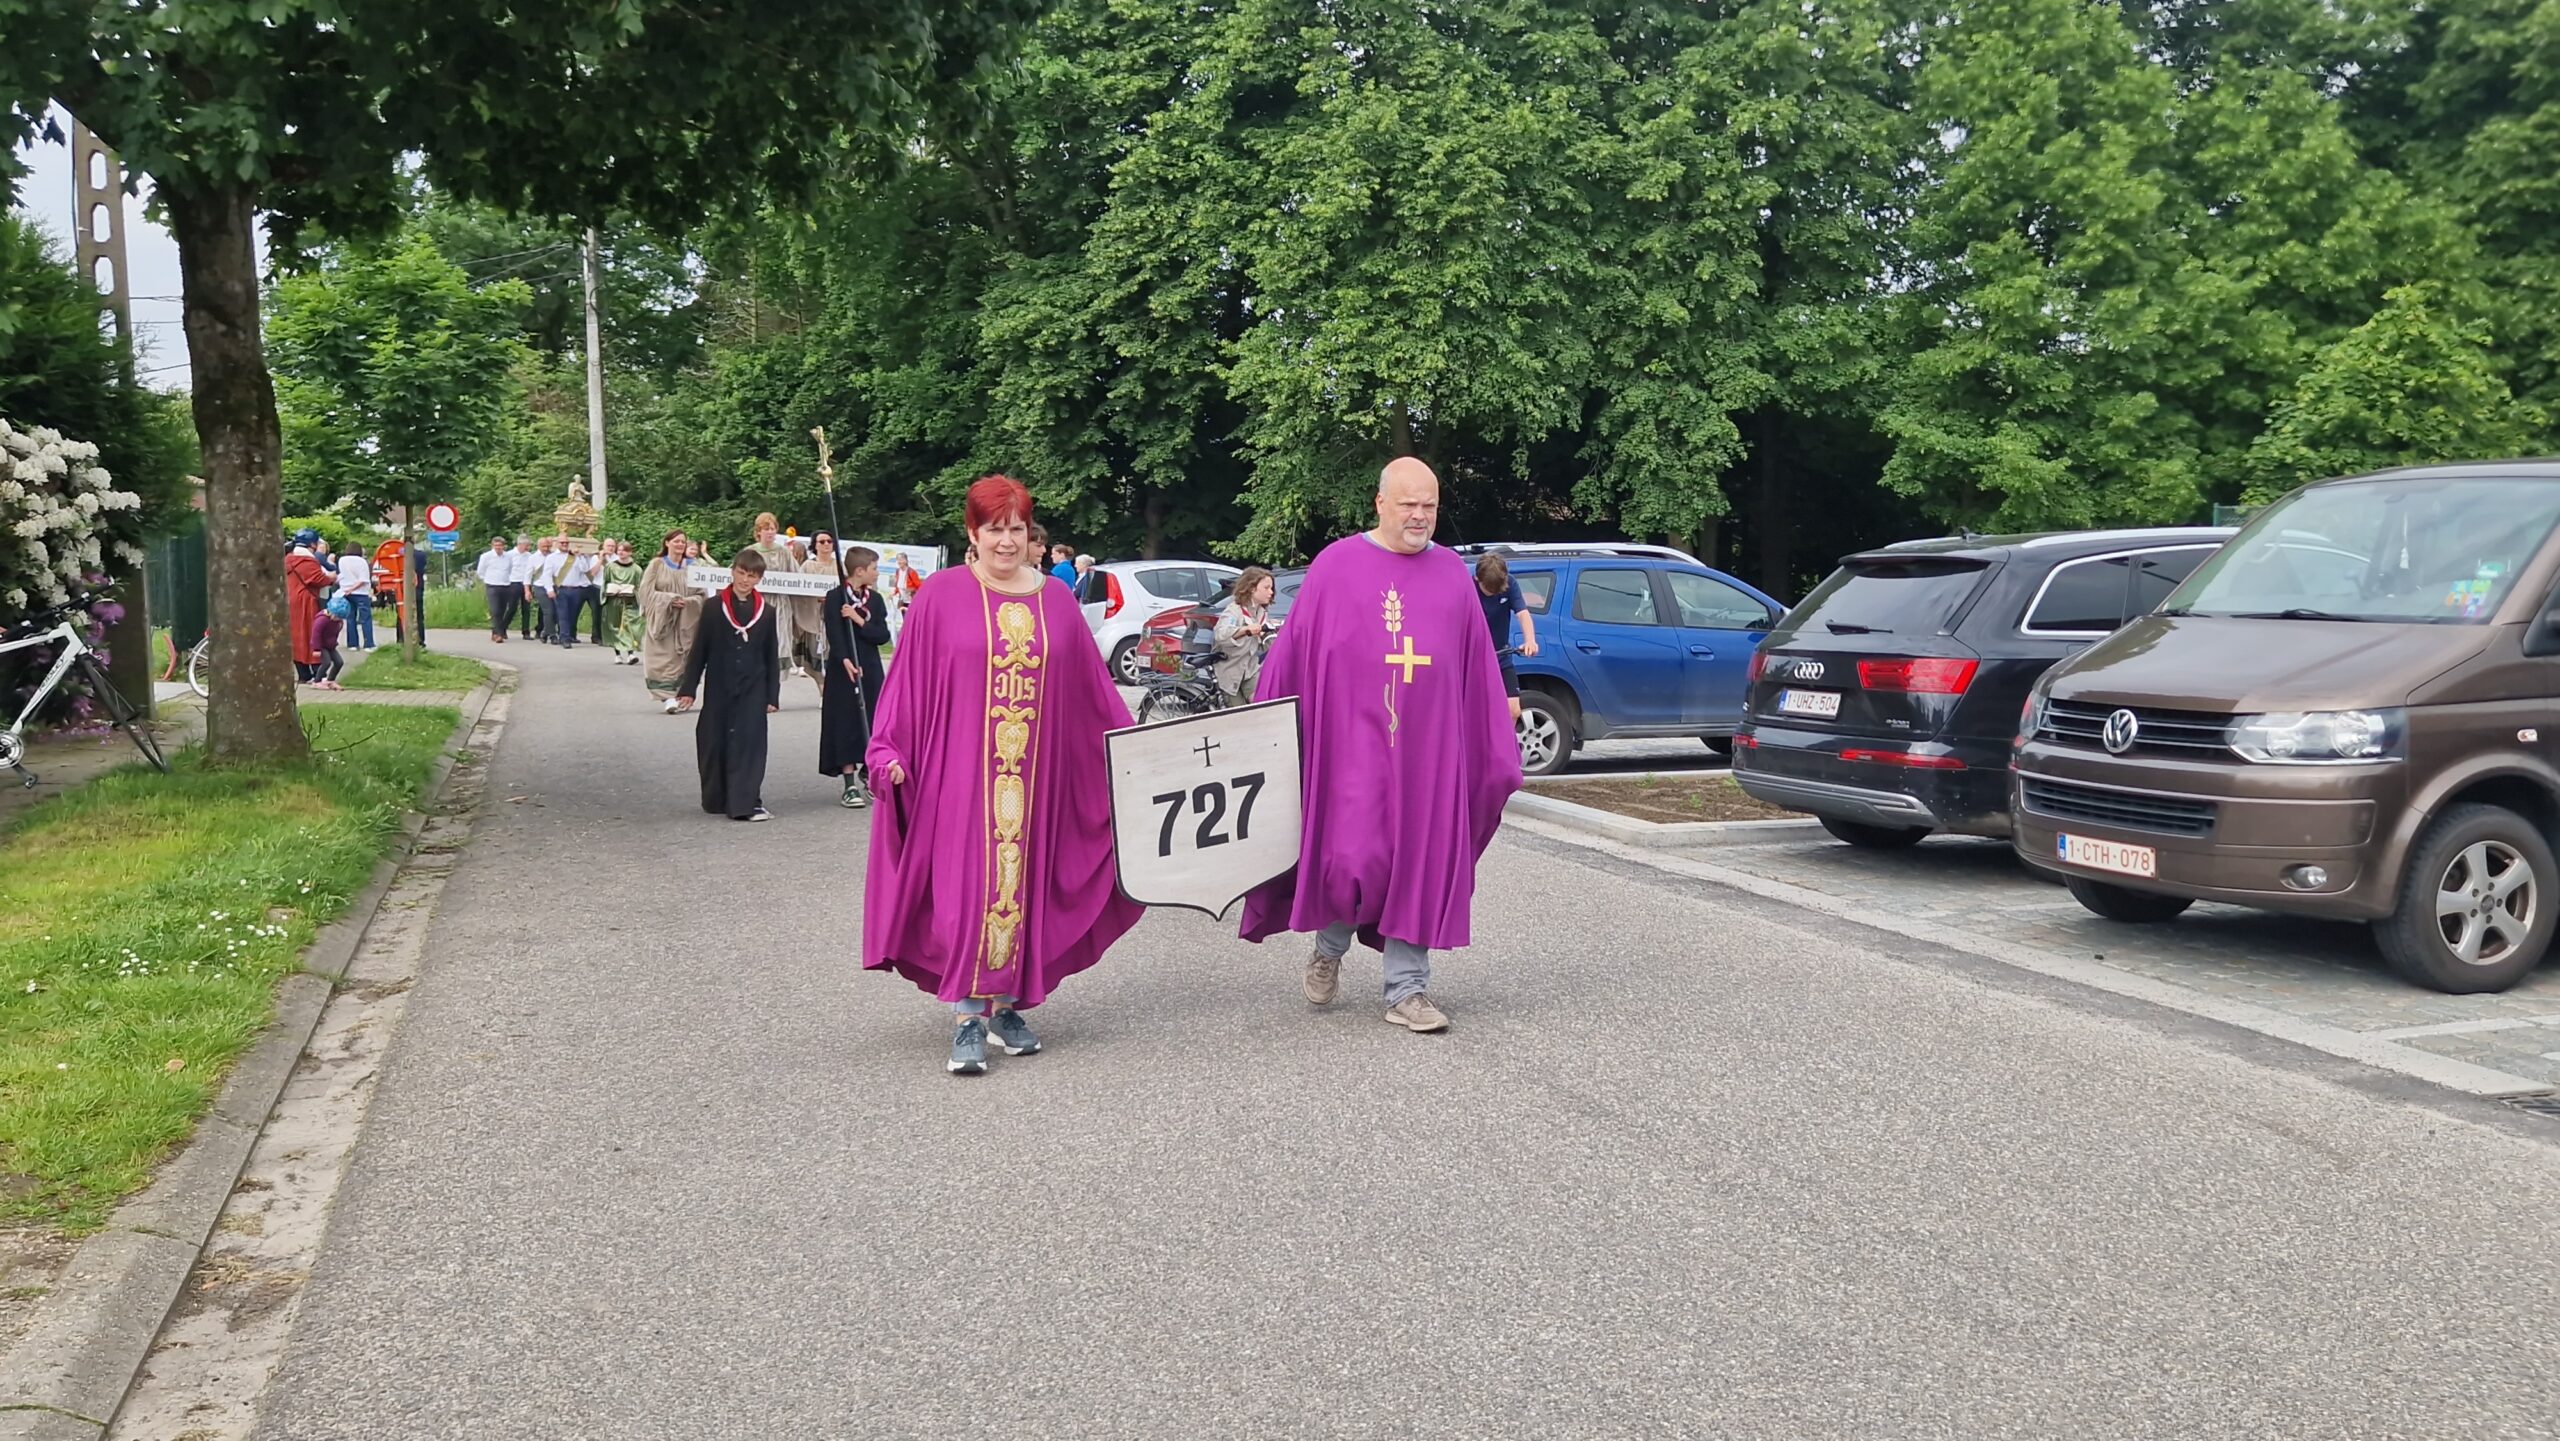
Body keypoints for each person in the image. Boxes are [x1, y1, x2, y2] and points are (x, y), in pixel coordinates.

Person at [863, 475, 1142, 1076]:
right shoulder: (941, 595)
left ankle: (1008, 1004)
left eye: (1017, 529)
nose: (1007, 541)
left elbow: (1094, 691)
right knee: (969, 886)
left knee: (1027, 884)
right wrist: (887, 748)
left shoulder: (1057, 600)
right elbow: (908, 682)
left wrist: (1137, 753)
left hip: (1038, 778)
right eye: (995, 529)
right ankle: (968, 1016)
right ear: (973, 532)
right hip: (960, 776)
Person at [1238, 458, 1521, 1034]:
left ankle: (1407, 990)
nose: (1419, 516)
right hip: (1353, 753)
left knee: (1419, 862)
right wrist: (1263, 734)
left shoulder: (1450, 576)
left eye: (1430, 506)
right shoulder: (1336, 567)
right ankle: (1329, 946)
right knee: (1353, 861)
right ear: (1380, 504)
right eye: (1408, 504)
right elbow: (1294, 658)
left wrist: (1492, 743)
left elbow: (1474, 670)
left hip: (1428, 759)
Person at [676, 547, 782, 822]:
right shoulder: (713, 607)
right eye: (742, 573)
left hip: (753, 687)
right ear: (733, 571)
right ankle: (717, 797)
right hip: (721, 683)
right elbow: (699, 650)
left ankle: (746, 803)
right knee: (714, 740)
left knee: (749, 743)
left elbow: (771, 656)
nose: (746, 580)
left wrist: (772, 695)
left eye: (752, 576)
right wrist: (689, 688)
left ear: (760, 579)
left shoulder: (767, 613)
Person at [822, 545, 892, 808]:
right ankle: (849, 783)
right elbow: (834, 633)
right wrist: (845, 660)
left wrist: (858, 619)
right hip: (844, 668)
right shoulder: (835, 597)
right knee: (846, 722)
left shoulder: (875, 600)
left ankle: (869, 772)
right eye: (874, 568)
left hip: (871, 666)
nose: (876, 573)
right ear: (859, 571)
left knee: (874, 720)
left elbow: (882, 636)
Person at [639, 530, 704, 711]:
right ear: (667, 543)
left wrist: (689, 602)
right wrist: (669, 599)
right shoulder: (656, 565)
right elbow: (646, 592)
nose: (680, 545)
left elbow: (702, 594)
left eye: (683, 542)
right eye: (676, 541)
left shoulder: (693, 566)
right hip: (663, 620)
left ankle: (681, 695)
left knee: (684, 658)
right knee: (663, 658)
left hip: (686, 621)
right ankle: (667, 697)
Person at [1473, 552, 1541, 722]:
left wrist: (1530, 640)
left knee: (1513, 711)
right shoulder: (1467, 587)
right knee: (1475, 711)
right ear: (1477, 579)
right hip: (1473, 660)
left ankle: (1506, 748)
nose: (1491, 594)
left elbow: (1523, 613)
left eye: (1495, 591)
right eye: (1487, 590)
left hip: (1501, 656)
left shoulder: (1510, 583)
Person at [1212, 566, 1276, 707]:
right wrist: (1245, 630)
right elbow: (1221, 634)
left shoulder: (1261, 613)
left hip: (1249, 670)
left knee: (1263, 703)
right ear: (1252, 588)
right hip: (1230, 672)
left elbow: (1266, 643)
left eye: (1271, 588)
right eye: (1266, 588)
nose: (1271, 592)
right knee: (1240, 715)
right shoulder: (1234, 611)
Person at [285, 529, 332, 684]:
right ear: (312, 544)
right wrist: (332, 577)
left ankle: (303, 673)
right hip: (306, 602)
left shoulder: (288, 559)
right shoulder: (308, 561)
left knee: (295, 637)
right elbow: (319, 579)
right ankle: (317, 672)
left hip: (290, 601)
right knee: (312, 635)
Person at [795, 532, 838, 680]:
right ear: (815, 545)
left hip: (834, 618)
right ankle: (821, 688)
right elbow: (799, 590)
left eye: (829, 541)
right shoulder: (808, 566)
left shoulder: (840, 566)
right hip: (813, 618)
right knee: (815, 657)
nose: (826, 544)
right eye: (822, 542)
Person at [601, 540, 645, 664]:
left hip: (629, 601)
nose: (621, 552)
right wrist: (608, 593)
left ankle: (631, 653)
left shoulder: (636, 569)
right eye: (619, 550)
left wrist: (633, 593)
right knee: (615, 626)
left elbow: (639, 586)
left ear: (630, 552)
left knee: (630, 626)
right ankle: (618, 654)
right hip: (614, 601)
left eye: (624, 550)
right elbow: (605, 583)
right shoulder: (611, 567)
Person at [554, 541, 600, 649]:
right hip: (573, 587)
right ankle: (566, 636)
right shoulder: (567, 557)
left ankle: (594, 635)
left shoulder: (592, 557)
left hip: (589, 586)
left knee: (574, 612)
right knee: (566, 614)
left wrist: (583, 557)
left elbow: (585, 569)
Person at [336, 545, 375, 652]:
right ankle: (368, 644)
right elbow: (363, 579)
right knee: (365, 618)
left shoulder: (342, 560)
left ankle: (352, 644)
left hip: (345, 592)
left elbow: (341, 575)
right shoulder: (362, 562)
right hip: (361, 593)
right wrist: (353, 588)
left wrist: (347, 589)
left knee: (350, 618)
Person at [477, 536, 516, 642]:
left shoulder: (508, 557)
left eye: (500, 546)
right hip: (492, 585)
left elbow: (511, 569)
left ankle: (495, 632)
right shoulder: (486, 556)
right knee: (495, 610)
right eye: (496, 546)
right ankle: (499, 634)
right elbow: (480, 571)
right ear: (492, 546)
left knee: (502, 610)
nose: (498, 548)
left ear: (504, 546)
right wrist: (487, 579)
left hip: (505, 585)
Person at [310, 595, 348, 690]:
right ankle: (317, 681)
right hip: (321, 645)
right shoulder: (322, 620)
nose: (337, 619)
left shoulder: (338, 622)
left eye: (340, 617)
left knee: (339, 662)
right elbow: (316, 634)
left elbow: (335, 633)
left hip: (330, 645)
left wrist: (334, 643)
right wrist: (316, 649)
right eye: (336, 616)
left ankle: (330, 680)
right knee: (326, 662)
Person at [506, 535, 539, 638]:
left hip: (526, 583)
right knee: (512, 607)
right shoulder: (509, 555)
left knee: (526, 608)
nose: (528, 547)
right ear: (520, 544)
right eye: (526, 545)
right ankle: (502, 627)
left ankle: (526, 631)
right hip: (513, 582)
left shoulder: (529, 556)